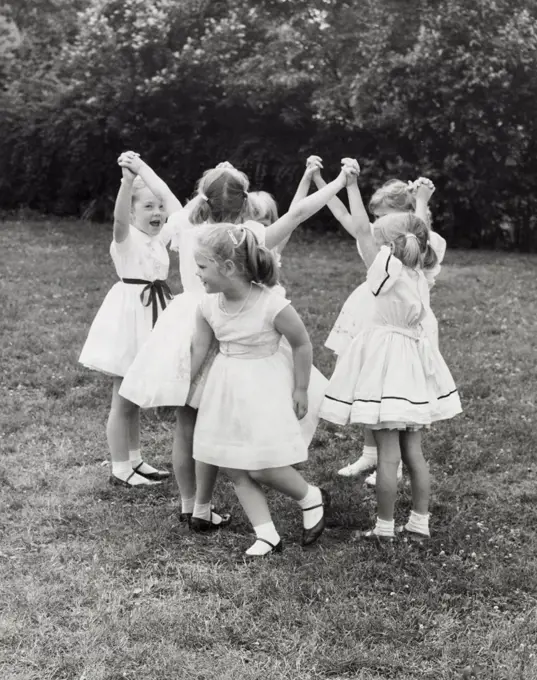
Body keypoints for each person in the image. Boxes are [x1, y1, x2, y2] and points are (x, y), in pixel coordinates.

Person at [117, 153, 352, 529]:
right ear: (246, 202)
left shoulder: (187, 228)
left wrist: (139, 167)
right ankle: (205, 505)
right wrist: (339, 181)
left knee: (187, 423)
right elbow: (297, 214)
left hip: (185, 328)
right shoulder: (248, 237)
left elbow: (165, 193)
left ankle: (190, 503)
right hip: (226, 327)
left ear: (202, 200)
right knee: (215, 422)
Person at [319, 172, 462, 539]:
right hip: (412, 362)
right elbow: (414, 234)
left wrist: (352, 189)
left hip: (387, 364)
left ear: (387, 244)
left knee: (387, 454)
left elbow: (371, 258)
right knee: (414, 452)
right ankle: (419, 523)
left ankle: (384, 528)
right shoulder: (419, 271)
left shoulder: (386, 269)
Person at [191, 224, 333, 556]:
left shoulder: (272, 305)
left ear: (227, 268)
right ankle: (266, 533)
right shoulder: (207, 306)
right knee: (234, 464)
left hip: (263, 386)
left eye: (201, 267)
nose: (196, 274)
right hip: (225, 390)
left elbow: (301, 343)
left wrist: (301, 388)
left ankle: (309, 496)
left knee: (261, 464)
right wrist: (182, 387)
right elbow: (199, 349)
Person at [309, 158, 446, 485]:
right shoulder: (376, 243)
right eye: (376, 217)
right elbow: (346, 216)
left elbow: (419, 230)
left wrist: (422, 202)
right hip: (370, 317)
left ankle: (395, 462)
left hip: (404, 327)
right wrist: (329, 182)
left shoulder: (426, 246)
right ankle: (371, 453)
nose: (375, 224)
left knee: (399, 392)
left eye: (383, 217)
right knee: (368, 385)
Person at [78, 160, 180, 486]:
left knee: (135, 397)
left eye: (160, 206)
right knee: (122, 397)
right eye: (148, 206)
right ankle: (120, 468)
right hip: (129, 320)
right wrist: (126, 183)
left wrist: (207, 192)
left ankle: (135, 459)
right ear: (134, 212)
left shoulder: (158, 238)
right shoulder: (125, 239)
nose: (157, 212)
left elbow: (184, 216)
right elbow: (118, 219)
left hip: (153, 317)